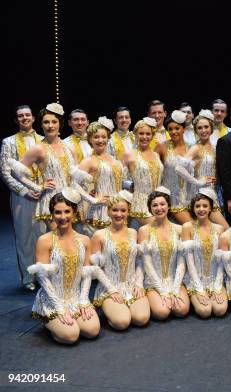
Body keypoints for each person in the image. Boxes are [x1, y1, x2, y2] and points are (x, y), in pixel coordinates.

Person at [27, 189, 101, 344]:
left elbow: (87, 273)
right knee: (71, 335)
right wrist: (59, 307)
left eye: (67, 211)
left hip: (75, 298)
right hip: (52, 299)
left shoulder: (85, 240)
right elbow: (43, 278)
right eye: (58, 212)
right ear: (52, 214)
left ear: (74, 213)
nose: (63, 217)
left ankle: (65, 323)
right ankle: (47, 321)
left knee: (92, 330)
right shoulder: (44, 240)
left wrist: (83, 300)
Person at [9, 103, 77, 231]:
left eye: (54, 122)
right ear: (41, 124)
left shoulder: (69, 146)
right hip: (50, 200)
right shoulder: (38, 148)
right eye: (46, 122)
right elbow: (15, 171)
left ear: (60, 123)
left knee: (67, 242)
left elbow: (75, 174)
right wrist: (37, 187)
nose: (50, 126)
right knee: (58, 240)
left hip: (70, 199)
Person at [90, 190, 150, 329]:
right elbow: (95, 268)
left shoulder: (133, 233)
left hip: (132, 285)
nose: (119, 214)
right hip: (109, 287)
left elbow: (139, 261)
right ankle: (112, 310)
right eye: (115, 210)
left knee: (141, 319)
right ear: (108, 212)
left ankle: (123, 309)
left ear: (128, 212)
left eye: (123, 210)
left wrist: (139, 284)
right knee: (122, 323)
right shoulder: (99, 235)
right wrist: (111, 290)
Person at [1, 105, 45, 290]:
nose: (24, 118)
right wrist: (24, 191)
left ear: (34, 118)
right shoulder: (9, 142)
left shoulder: (44, 140)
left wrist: (43, 189)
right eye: (21, 116)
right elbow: (5, 172)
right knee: (24, 236)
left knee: (43, 236)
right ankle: (28, 278)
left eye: (27, 115)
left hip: (44, 194)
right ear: (16, 120)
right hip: (22, 197)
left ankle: (44, 275)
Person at [137, 187, 190, 320]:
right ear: (150, 209)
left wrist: (175, 288)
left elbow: (182, 262)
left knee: (182, 310)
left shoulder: (179, 229)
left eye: (162, 204)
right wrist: (162, 291)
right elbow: (146, 264)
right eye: (155, 205)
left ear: (168, 206)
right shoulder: (144, 230)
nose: (159, 208)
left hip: (174, 279)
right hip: (153, 281)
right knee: (162, 312)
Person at [174, 110, 229, 229]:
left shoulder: (215, 148)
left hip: (213, 193)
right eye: (200, 128)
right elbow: (178, 168)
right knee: (225, 229)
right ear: (195, 130)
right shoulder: (195, 148)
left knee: (213, 232)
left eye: (206, 127)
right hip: (201, 194)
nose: (203, 130)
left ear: (211, 127)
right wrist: (197, 181)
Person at [71, 117, 124, 236]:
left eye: (103, 137)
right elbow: (74, 185)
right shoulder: (89, 161)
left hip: (116, 210)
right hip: (98, 212)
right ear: (90, 139)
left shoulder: (114, 160)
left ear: (108, 138)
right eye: (96, 137)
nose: (100, 140)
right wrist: (93, 200)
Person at [181, 188, 228, 318]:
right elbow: (188, 260)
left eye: (205, 206)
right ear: (193, 209)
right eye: (197, 206)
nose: (201, 209)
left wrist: (218, 285)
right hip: (195, 278)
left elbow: (221, 259)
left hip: (215, 276)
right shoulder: (187, 227)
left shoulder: (219, 229)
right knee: (205, 311)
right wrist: (199, 289)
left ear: (210, 208)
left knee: (220, 310)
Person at [123, 117, 163, 227]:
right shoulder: (130, 154)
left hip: (157, 204)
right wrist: (132, 187)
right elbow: (122, 181)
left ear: (152, 135)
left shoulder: (156, 155)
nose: (145, 137)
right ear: (135, 134)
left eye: (148, 134)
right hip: (140, 204)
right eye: (141, 133)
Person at [156, 110, 192, 224]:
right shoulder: (162, 147)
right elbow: (152, 168)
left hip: (190, 196)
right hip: (172, 198)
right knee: (191, 227)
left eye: (177, 128)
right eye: (170, 129)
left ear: (184, 129)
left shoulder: (192, 147)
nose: (173, 132)